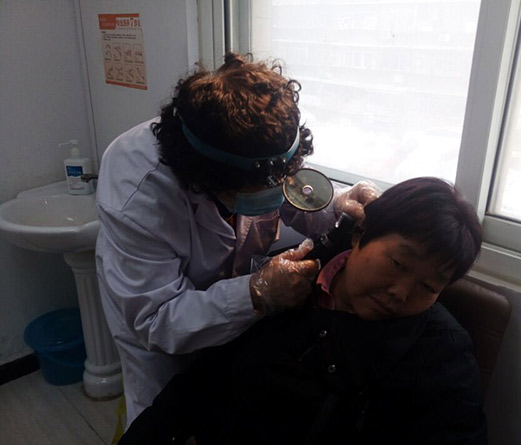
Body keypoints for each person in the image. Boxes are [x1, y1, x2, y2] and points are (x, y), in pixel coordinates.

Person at [95, 52, 379, 428]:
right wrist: (255, 294)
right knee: (163, 413)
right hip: (157, 313)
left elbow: (289, 192)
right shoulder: (138, 193)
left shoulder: (258, 146)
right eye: (262, 190)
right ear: (206, 180)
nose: (280, 194)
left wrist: (337, 203)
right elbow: (158, 320)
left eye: (285, 179)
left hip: (229, 301)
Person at [118, 177, 487, 444]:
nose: (400, 293)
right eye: (398, 264)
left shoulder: (443, 353)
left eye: (429, 287)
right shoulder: (288, 283)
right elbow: (204, 381)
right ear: (361, 234)